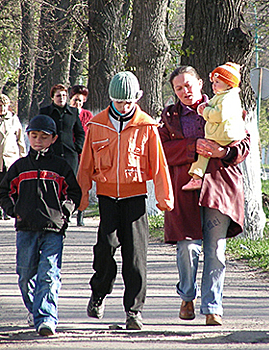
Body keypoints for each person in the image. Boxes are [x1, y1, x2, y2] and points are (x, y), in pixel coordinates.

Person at [77, 71, 174, 330]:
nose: (125, 106)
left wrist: (165, 199)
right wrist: (81, 197)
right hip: (107, 198)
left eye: (129, 101)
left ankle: (133, 311)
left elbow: (159, 165)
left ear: (137, 98)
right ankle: (99, 293)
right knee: (104, 252)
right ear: (111, 99)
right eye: (120, 102)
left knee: (135, 258)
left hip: (135, 199)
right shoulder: (97, 125)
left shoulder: (147, 125)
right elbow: (86, 164)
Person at [159, 66, 250, 326]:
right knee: (187, 248)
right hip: (184, 188)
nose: (185, 91)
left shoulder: (225, 104)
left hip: (219, 186)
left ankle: (213, 307)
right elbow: (161, 150)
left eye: (189, 85)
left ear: (200, 84)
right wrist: (192, 147)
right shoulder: (169, 117)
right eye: (179, 88)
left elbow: (244, 142)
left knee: (216, 250)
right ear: (174, 92)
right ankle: (187, 296)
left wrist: (224, 153)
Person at [0, 115, 82, 336]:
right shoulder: (19, 167)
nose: (38, 140)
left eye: (44, 137)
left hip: (53, 229)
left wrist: (65, 212)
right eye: (34, 136)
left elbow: (74, 192)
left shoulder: (61, 167)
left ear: (53, 139)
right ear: (27, 136)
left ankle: (46, 318)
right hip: (25, 229)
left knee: (49, 273)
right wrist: (14, 211)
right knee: (26, 276)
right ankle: (35, 309)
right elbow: (3, 192)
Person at [181, 62, 246, 191]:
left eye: (217, 82)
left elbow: (219, 115)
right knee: (204, 153)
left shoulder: (228, 98)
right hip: (225, 134)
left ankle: (196, 178)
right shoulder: (222, 96)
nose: (213, 85)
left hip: (224, 134)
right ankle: (196, 178)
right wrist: (204, 107)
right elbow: (211, 105)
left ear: (228, 84)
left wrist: (204, 112)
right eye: (213, 82)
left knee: (204, 149)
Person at [39, 84, 85, 173]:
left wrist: (77, 147)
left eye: (64, 95)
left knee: (69, 184)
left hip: (70, 156)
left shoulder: (73, 112)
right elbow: (39, 131)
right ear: (52, 97)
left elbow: (80, 133)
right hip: (51, 155)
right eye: (58, 96)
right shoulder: (45, 112)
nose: (62, 98)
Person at [69, 84, 94, 226]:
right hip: (70, 153)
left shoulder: (87, 115)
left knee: (83, 184)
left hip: (84, 154)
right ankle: (68, 211)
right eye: (75, 100)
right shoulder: (67, 114)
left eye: (80, 100)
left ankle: (81, 213)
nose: (77, 103)